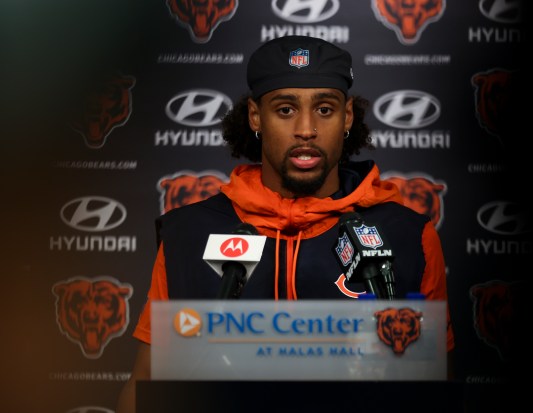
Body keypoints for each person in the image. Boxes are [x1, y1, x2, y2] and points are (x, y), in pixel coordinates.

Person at [116, 35, 454, 413]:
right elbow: (145, 381)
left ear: (346, 118)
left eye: (324, 110)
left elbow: (432, 385)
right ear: (255, 116)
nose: (306, 129)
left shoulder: (409, 236)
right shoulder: (188, 234)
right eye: (285, 109)